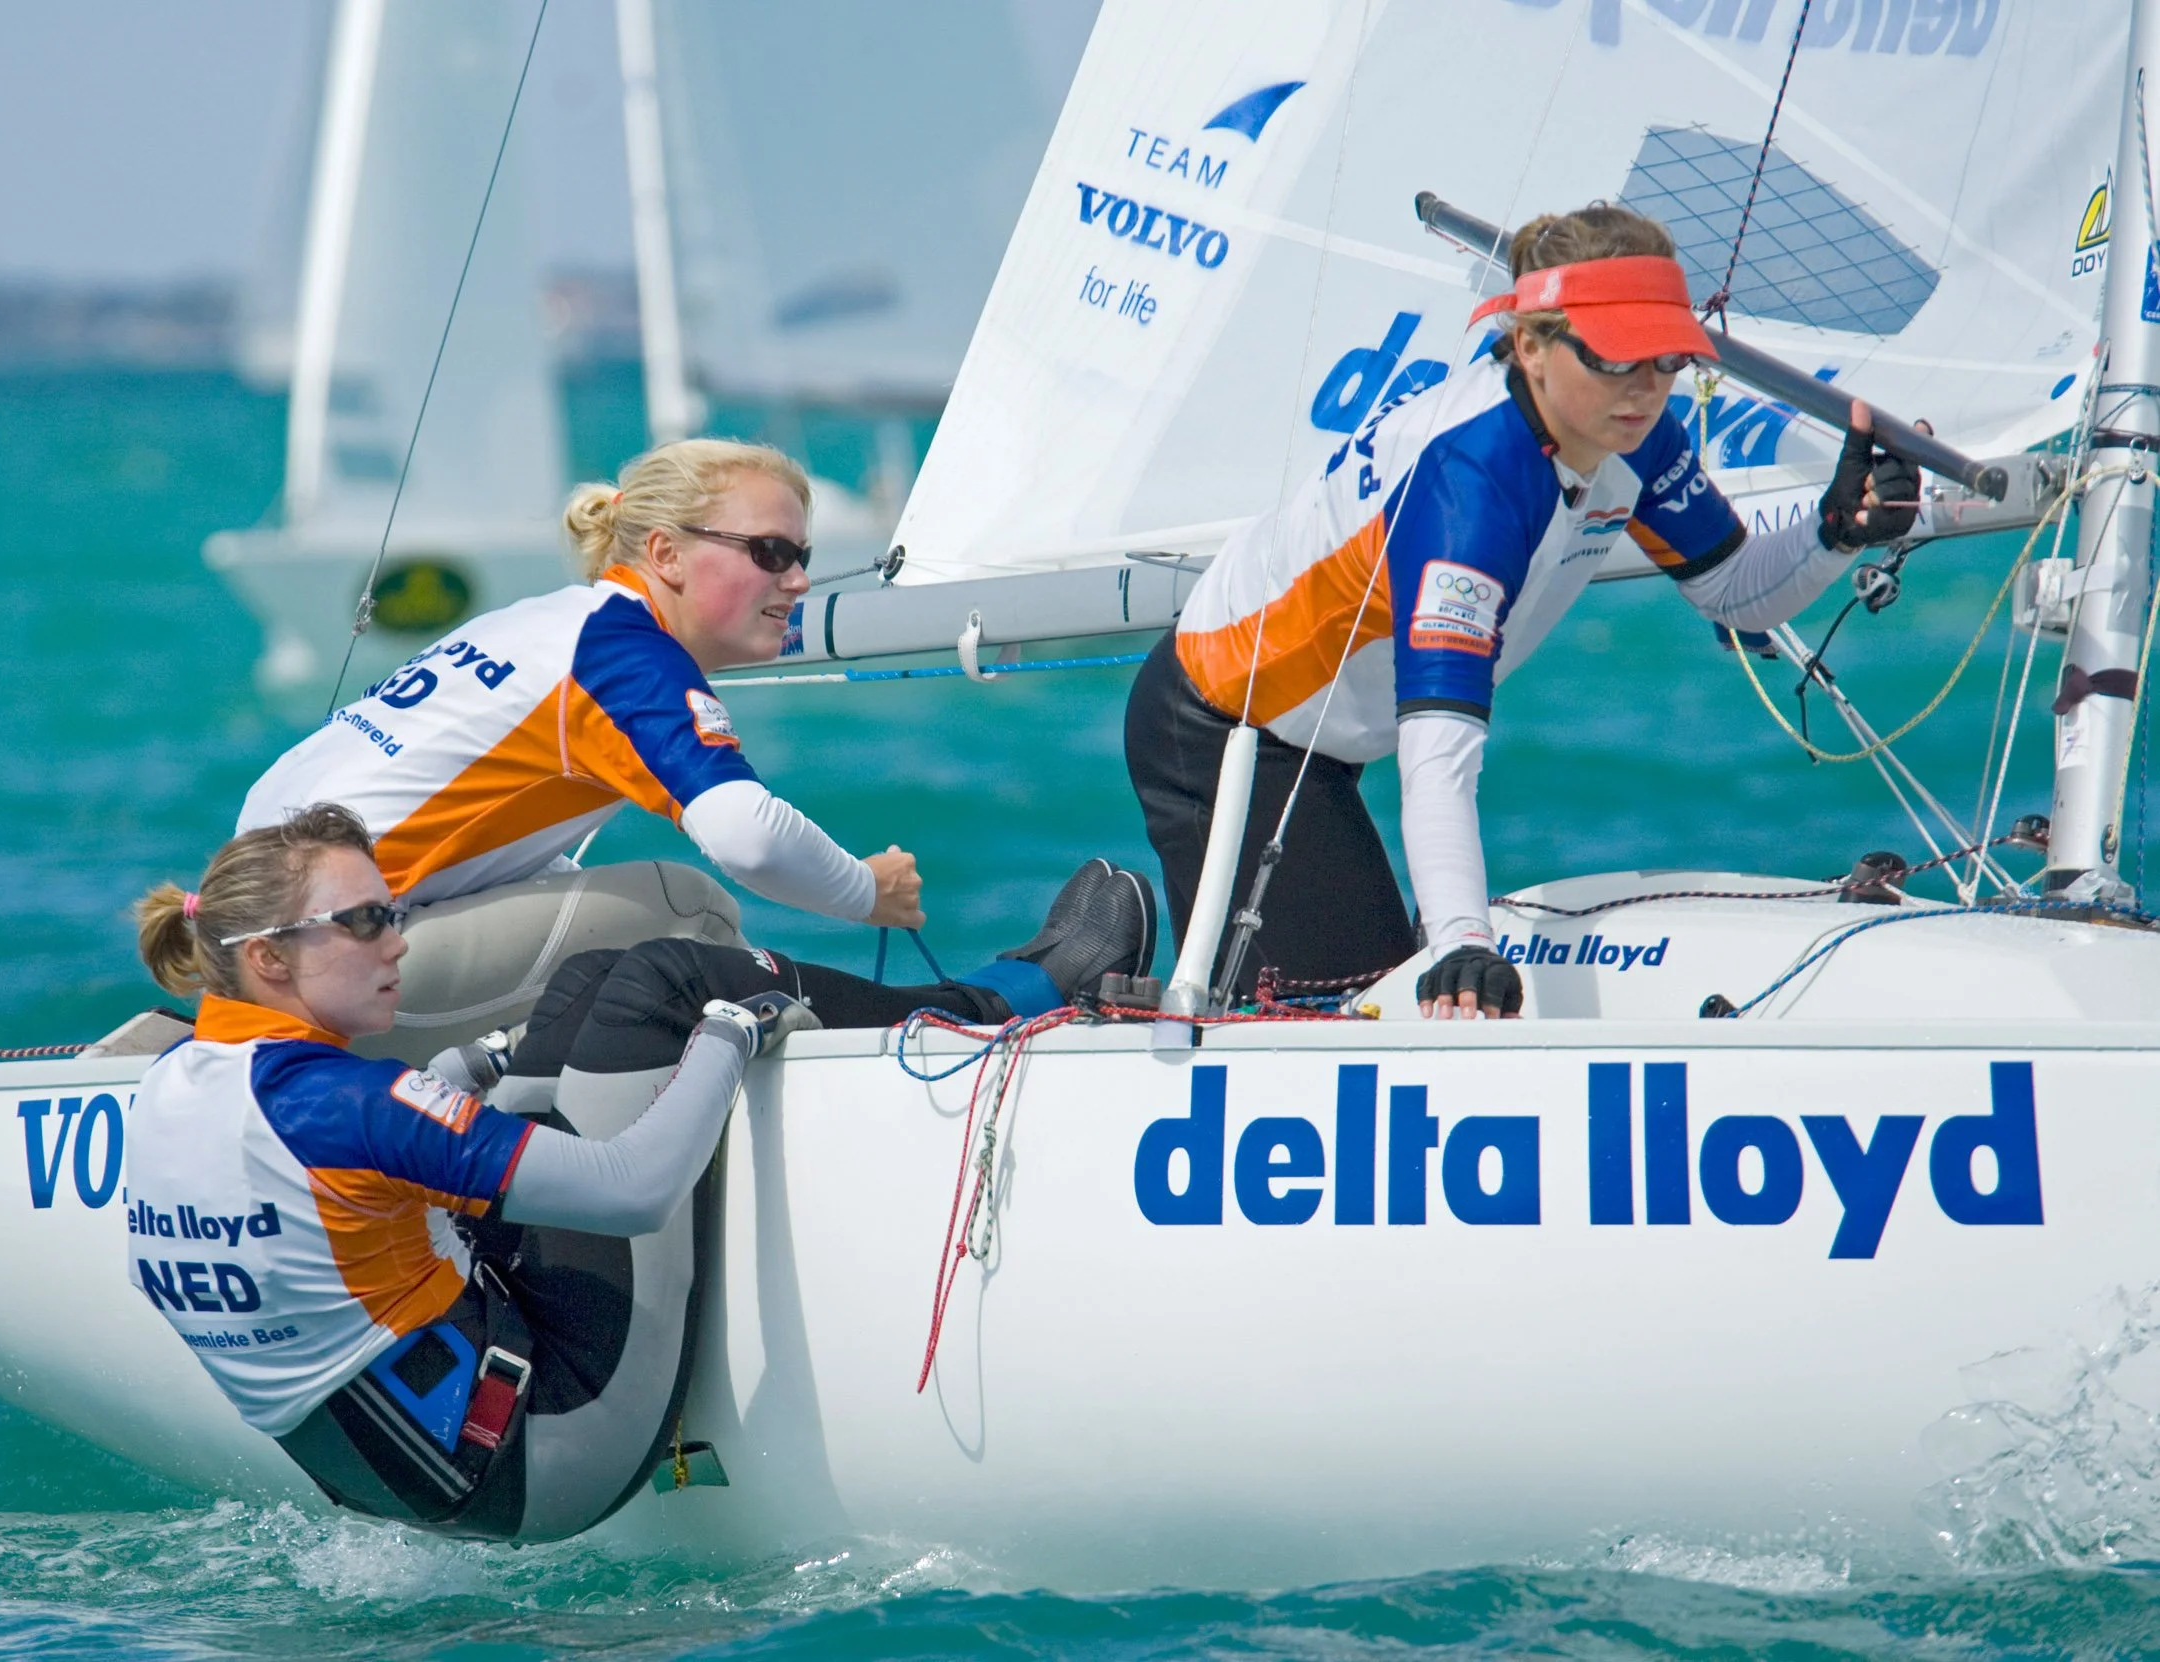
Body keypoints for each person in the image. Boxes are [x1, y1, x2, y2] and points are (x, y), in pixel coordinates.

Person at [123, 806, 1144, 1538]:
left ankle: (976, 991)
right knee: (662, 982)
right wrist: (731, 1033)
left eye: (392, 910)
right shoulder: (340, 1104)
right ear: (268, 959)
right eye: (364, 922)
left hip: (404, 1471)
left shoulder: (175, 1085)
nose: (397, 942)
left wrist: (465, 1073)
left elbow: (330, 1201)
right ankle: (1005, 1001)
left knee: (585, 986)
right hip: (557, 1445)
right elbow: (628, 1190)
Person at [1125, 202, 1918, 1019]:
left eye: (1667, 358)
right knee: (1353, 1014)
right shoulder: (1469, 490)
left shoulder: (1630, 432)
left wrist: (1835, 531)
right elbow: (1438, 753)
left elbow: (1735, 590)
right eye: (1615, 357)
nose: (1646, 387)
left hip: (1332, 735)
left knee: (1384, 993)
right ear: (1532, 346)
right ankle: (1078, 961)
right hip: (1225, 725)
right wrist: (1463, 943)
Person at [240, 439, 945, 1055]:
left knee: (584, 898)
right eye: (771, 553)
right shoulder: (624, 654)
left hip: (260, 960)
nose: (798, 580)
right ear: (666, 554)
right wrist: (867, 890)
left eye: (803, 557)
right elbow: (749, 838)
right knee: (688, 907)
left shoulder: (537, 621)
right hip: (331, 974)